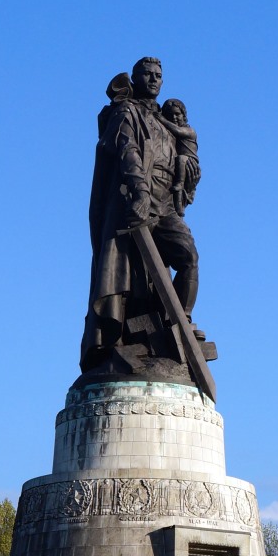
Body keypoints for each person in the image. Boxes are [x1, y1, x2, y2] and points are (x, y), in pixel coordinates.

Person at [83, 56, 202, 370]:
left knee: (187, 257)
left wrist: (189, 171)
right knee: (134, 278)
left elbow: (187, 158)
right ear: (135, 79)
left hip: (165, 203)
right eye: (147, 74)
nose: (153, 79)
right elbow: (128, 152)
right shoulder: (126, 112)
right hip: (133, 204)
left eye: (158, 75)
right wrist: (139, 190)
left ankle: (180, 319)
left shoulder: (167, 121)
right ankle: (127, 340)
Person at [159, 98, 200, 215]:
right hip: (179, 162)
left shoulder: (189, 130)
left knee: (181, 161)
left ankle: (180, 185)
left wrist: (161, 119)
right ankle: (178, 208)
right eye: (170, 115)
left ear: (184, 115)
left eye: (177, 114)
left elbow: (177, 130)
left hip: (188, 160)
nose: (174, 118)